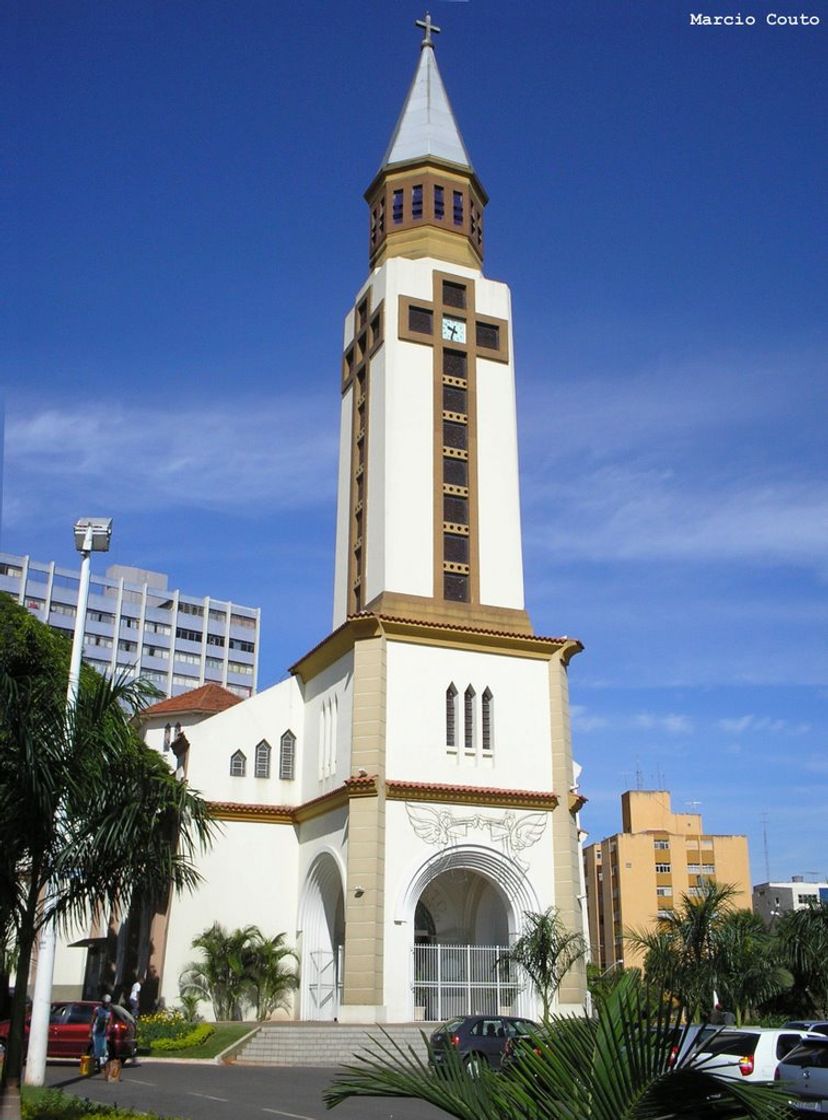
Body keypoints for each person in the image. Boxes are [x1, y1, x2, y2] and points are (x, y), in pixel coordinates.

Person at [91, 994, 112, 1071]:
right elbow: (92, 1020)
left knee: (103, 1049)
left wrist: (108, 1032)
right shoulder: (97, 1010)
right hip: (96, 1032)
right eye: (105, 1003)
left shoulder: (109, 1012)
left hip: (104, 1033)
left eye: (108, 1003)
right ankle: (97, 1065)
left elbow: (109, 1022)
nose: (106, 1004)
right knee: (97, 1049)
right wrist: (90, 1032)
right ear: (102, 1002)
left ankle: (101, 1064)